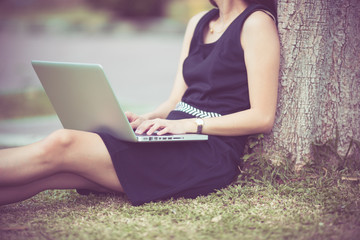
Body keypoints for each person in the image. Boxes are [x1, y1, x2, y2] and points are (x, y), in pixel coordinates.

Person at [0, 0, 280, 206]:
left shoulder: (256, 23)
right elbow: (175, 99)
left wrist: (189, 125)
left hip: (208, 152)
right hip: (171, 136)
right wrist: (145, 119)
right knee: (53, 174)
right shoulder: (199, 22)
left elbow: (262, 117)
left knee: (62, 143)